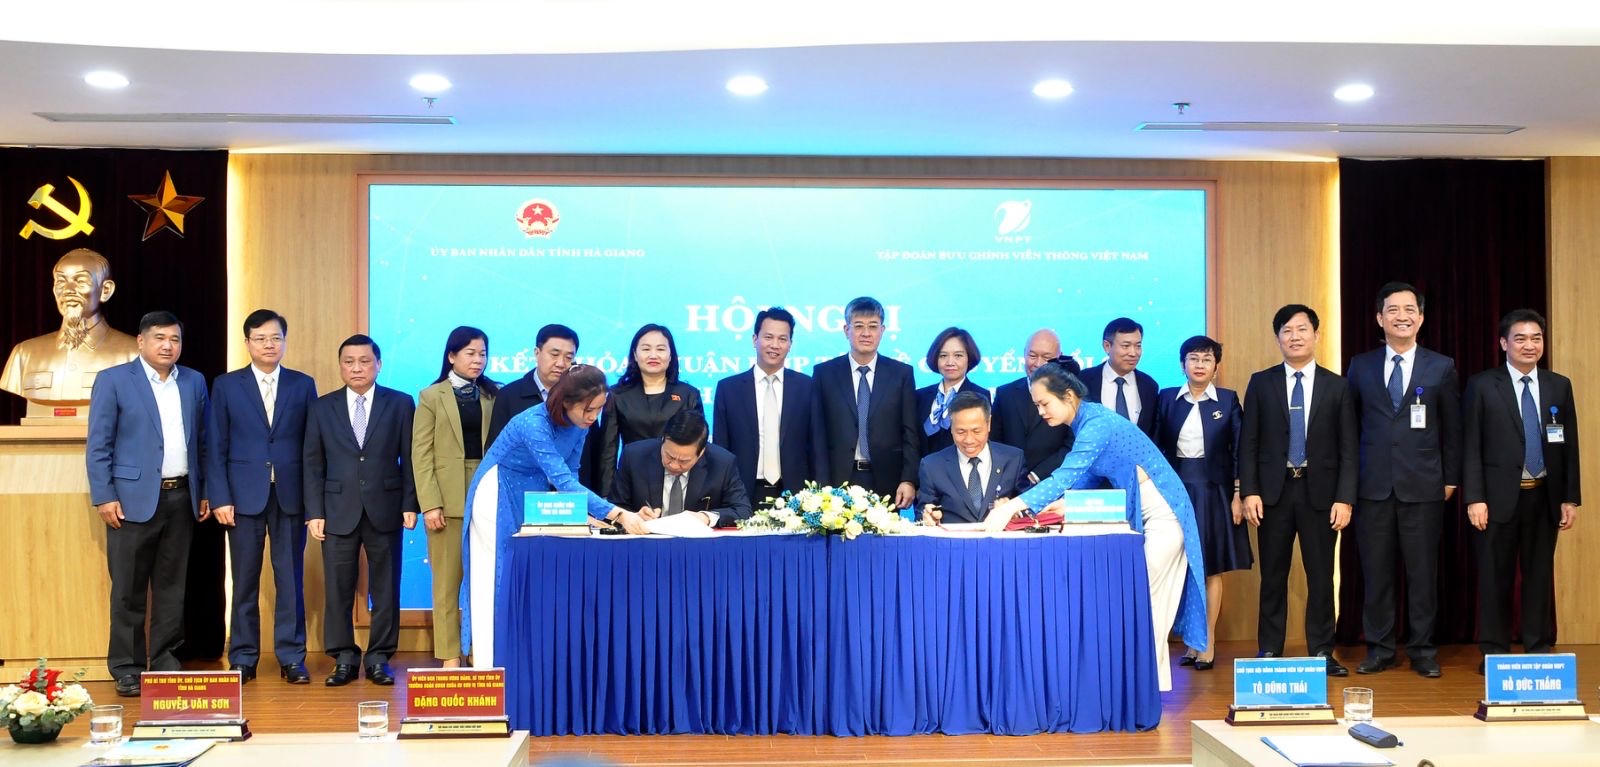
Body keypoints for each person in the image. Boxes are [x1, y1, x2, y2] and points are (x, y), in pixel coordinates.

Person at [985, 362, 1207, 692]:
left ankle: (1141, 688)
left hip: (1165, 517)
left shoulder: (1096, 424)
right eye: (1037, 405)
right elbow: (1087, 477)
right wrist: (1064, 503)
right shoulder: (1086, 422)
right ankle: (1143, 686)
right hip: (1143, 515)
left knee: (1143, 602)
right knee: (1143, 602)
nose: (1041, 412)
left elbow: (1065, 476)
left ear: (1068, 396)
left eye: (1044, 403)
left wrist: (1013, 506)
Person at [461, 365, 631, 668]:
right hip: (497, 491)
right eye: (588, 409)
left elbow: (572, 473)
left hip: (532, 494)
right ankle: (489, 664)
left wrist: (584, 513)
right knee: (495, 575)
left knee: (523, 576)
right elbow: (562, 480)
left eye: (599, 409)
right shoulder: (533, 423)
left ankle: (519, 662)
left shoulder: (581, 425)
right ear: (566, 401)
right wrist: (617, 514)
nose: (593, 417)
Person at [86, 311, 209, 697]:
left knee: (172, 587)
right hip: (130, 501)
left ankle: (166, 659)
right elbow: (99, 444)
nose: (167, 345)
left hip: (181, 495)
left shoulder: (193, 381)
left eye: (174, 339)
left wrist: (204, 490)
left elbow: (203, 441)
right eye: (159, 338)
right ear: (141, 341)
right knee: (128, 588)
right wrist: (105, 495)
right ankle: (127, 667)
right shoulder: (114, 380)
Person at [1345, 282, 1460, 679]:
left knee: (1422, 574)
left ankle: (1423, 650)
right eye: (1393, 310)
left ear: (1421, 318)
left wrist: (1450, 478)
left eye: (1410, 309)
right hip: (1372, 486)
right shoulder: (1360, 365)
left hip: (1424, 486)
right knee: (1376, 574)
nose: (1402, 316)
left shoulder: (1441, 366)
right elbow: (1349, 429)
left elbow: (1453, 428)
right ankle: (1380, 649)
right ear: (1380, 318)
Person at [1239, 305, 1357, 676]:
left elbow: (1349, 448)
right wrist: (1249, 491)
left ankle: (1322, 651)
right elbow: (1248, 442)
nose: (1295, 336)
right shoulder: (1262, 383)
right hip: (1273, 495)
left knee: (1321, 576)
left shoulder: (1337, 386)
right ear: (1278, 338)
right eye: (1287, 330)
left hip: (1320, 494)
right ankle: (1269, 649)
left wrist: (1345, 498)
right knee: (1273, 575)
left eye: (1302, 329)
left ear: (1316, 335)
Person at [1463, 309, 1581, 669]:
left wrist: (1570, 497)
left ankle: (1538, 648)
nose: (1529, 345)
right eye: (1520, 338)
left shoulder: (1559, 385)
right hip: (1496, 499)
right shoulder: (1483, 385)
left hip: (1544, 496)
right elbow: (1471, 446)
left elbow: (1569, 446)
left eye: (1536, 338)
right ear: (1504, 343)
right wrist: (1475, 498)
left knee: (1539, 575)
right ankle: (1494, 652)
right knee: (1494, 577)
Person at [204, 309, 316, 685]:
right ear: (247, 343)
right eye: (261, 338)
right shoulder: (226, 385)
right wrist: (219, 497)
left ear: (284, 341)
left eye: (275, 338)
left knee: (290, 580)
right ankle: (243, 657)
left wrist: (313, 502)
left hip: (290, 496)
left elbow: (311, 447)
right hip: (241, 498)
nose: (269, 345)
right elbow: (215, 445)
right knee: (244, 581)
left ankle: (292, 657)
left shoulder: (302, 385)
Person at [302, 334, 417, 687]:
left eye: (364, 361)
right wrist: (314, 511)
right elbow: (312, 463)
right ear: (340, 366)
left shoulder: (400, 403)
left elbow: (410, 458)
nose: (356, 368)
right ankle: (344, 658)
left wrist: (409, 504)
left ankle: (380, 657)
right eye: (349, 362)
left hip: (386, 507)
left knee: (386, 588)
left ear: (378, 364)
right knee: (338, 588)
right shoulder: (322, 407)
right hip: (337, 509)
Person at [1154, 335, 1249, 671]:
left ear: (1216, 367)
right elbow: (1155, 448)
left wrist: (1238, 493)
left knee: (1210, 567)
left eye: (1207, 359)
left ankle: (1207, 641)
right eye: (1193, 358)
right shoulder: (1167, 399)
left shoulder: (1228, 399)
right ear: (1183, 364)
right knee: (1179, 566)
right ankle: (1189, 642)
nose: (1199, 365)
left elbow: (1239, 450)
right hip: (1175, 492)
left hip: (1214, 492)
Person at [413, 326, 498, 669]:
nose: (478, 360)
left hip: (486, 493)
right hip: (445, 500)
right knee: (447, 584)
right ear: (451, 356)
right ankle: (450, 654)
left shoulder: (493, 395)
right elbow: (421, 455)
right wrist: (430, 504)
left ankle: (479, 648)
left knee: (482, 581)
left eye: (482, 354)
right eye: (470, 353)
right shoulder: (431, 396)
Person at [811, 296, 919, 507]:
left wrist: (908, 479)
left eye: (873, 326)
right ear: (846, 330)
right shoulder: (825, 374)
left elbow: (910, 433)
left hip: (887, 480)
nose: (866, 333)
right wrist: (821, 484)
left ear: (882, 330)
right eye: (859, 326)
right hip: (837, 481)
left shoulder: (901, 374)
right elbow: (817, 434)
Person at [2, 248, 139, 413]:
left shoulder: (133, 354)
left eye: (80, 281)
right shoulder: (24, 354)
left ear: (105, 290)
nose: (68, 290)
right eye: (61, 281)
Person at [712, 307, 813, 506]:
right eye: (768, 337)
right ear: (754, 339)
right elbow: (720, 447)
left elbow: (815, 444)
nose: (775, 345)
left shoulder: (807, 386)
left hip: (796, 495)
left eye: (782, 339)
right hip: (742, 493)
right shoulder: (729, 389)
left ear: (790, 344)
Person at [592, 324, 703, 497]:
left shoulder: (688, 394)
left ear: (671, 355)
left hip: (677, 482)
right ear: (635, 355)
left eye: (660, 349)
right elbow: (608, 449)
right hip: (632, 481)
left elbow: (698, 445)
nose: (653, 355)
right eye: (646, 349)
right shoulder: (617, 395)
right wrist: (607, 496)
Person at [613, 409, 752, 527]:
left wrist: (706, 517)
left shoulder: (722, 463)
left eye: (683, 461)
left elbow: (743, 510)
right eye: (669, 456)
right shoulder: (634, 456)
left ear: (701, 453)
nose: (674, 465)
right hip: (646, 542)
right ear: (663, 440)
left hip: (697, 546)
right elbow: (615, 506)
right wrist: (632, 516)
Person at [916, 391, 1023, 524]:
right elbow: (922, 514)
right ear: (951, 426)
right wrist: (929, 517)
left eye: (976, 431)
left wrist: (1014, 510)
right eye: (961, 432)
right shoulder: (932, 466)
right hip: (953, 537)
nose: (969, 440)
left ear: (989, 423)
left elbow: (1030, 508)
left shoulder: (1014, 459)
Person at [991, 329, 1075, 490]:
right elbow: (994, 441)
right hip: (1008, 486)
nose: (1038, 363)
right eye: (1032, 355)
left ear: (1059, 357)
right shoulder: (1005, 393)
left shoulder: (1070, 395)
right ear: (1024, 354)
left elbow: (1072, 444)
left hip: (1054, 485)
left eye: (1046, 357)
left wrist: (1037, 475)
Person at [485, 323, 578, 449]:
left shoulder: (580, 396)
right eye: (554, 355)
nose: (561, 363)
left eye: (568, 357)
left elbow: (590, 448)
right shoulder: (509, 395)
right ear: (537, 353)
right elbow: (496, 448)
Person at [1078, 317, 1160, 439]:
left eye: (1138, 346)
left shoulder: (1149, 386)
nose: (1133, 353)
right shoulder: (1083, 380)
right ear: (1107, 346)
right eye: (1126, 346)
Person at [914, 327, 989, 458]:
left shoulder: (980, 395)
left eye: (958, 355)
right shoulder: (920, 395)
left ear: (969, 358)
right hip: (922, 469)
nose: (950, 362)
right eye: (943, 356)